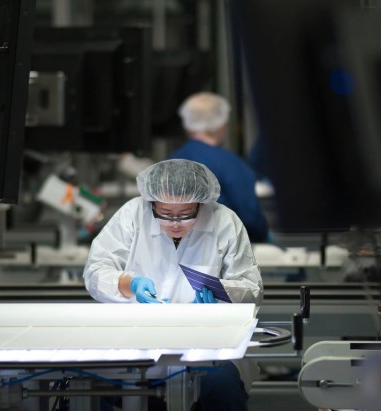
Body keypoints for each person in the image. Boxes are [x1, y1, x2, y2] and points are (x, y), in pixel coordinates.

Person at [83, 159, 263, 411]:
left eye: (186, 214)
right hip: (137, 335)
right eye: (165, 214)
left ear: (201, 203)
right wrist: (130, 284)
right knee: (91, 383)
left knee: (221, 384)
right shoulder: (133, 214)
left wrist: (221, 293)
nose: (175, 223)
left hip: (207, 339)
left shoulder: (224, 221)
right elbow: (96, 271)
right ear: (151, 203)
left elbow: (252, 288)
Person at [169, 92, 269, 243]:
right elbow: (250, 217)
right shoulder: (231, 164)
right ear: (222, 125)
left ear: (187, 123)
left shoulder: (169, 161)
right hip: (223, 244)